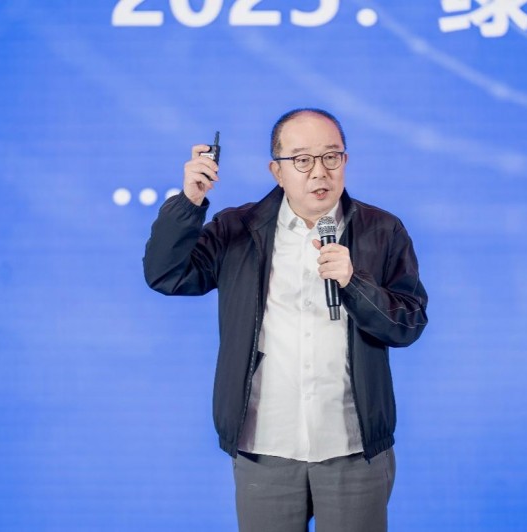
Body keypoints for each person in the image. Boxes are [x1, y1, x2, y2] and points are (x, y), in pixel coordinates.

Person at [143, 108, 428, 532]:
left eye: (331, 156)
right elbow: (167, 274)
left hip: (353, 445)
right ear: (277, 171)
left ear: (345, 161)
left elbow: (408, 324)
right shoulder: (238, 229)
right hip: (265, 443)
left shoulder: (382, 230)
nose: (319, 172)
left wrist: (354, 282)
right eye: (302, 160)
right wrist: (190, 203)